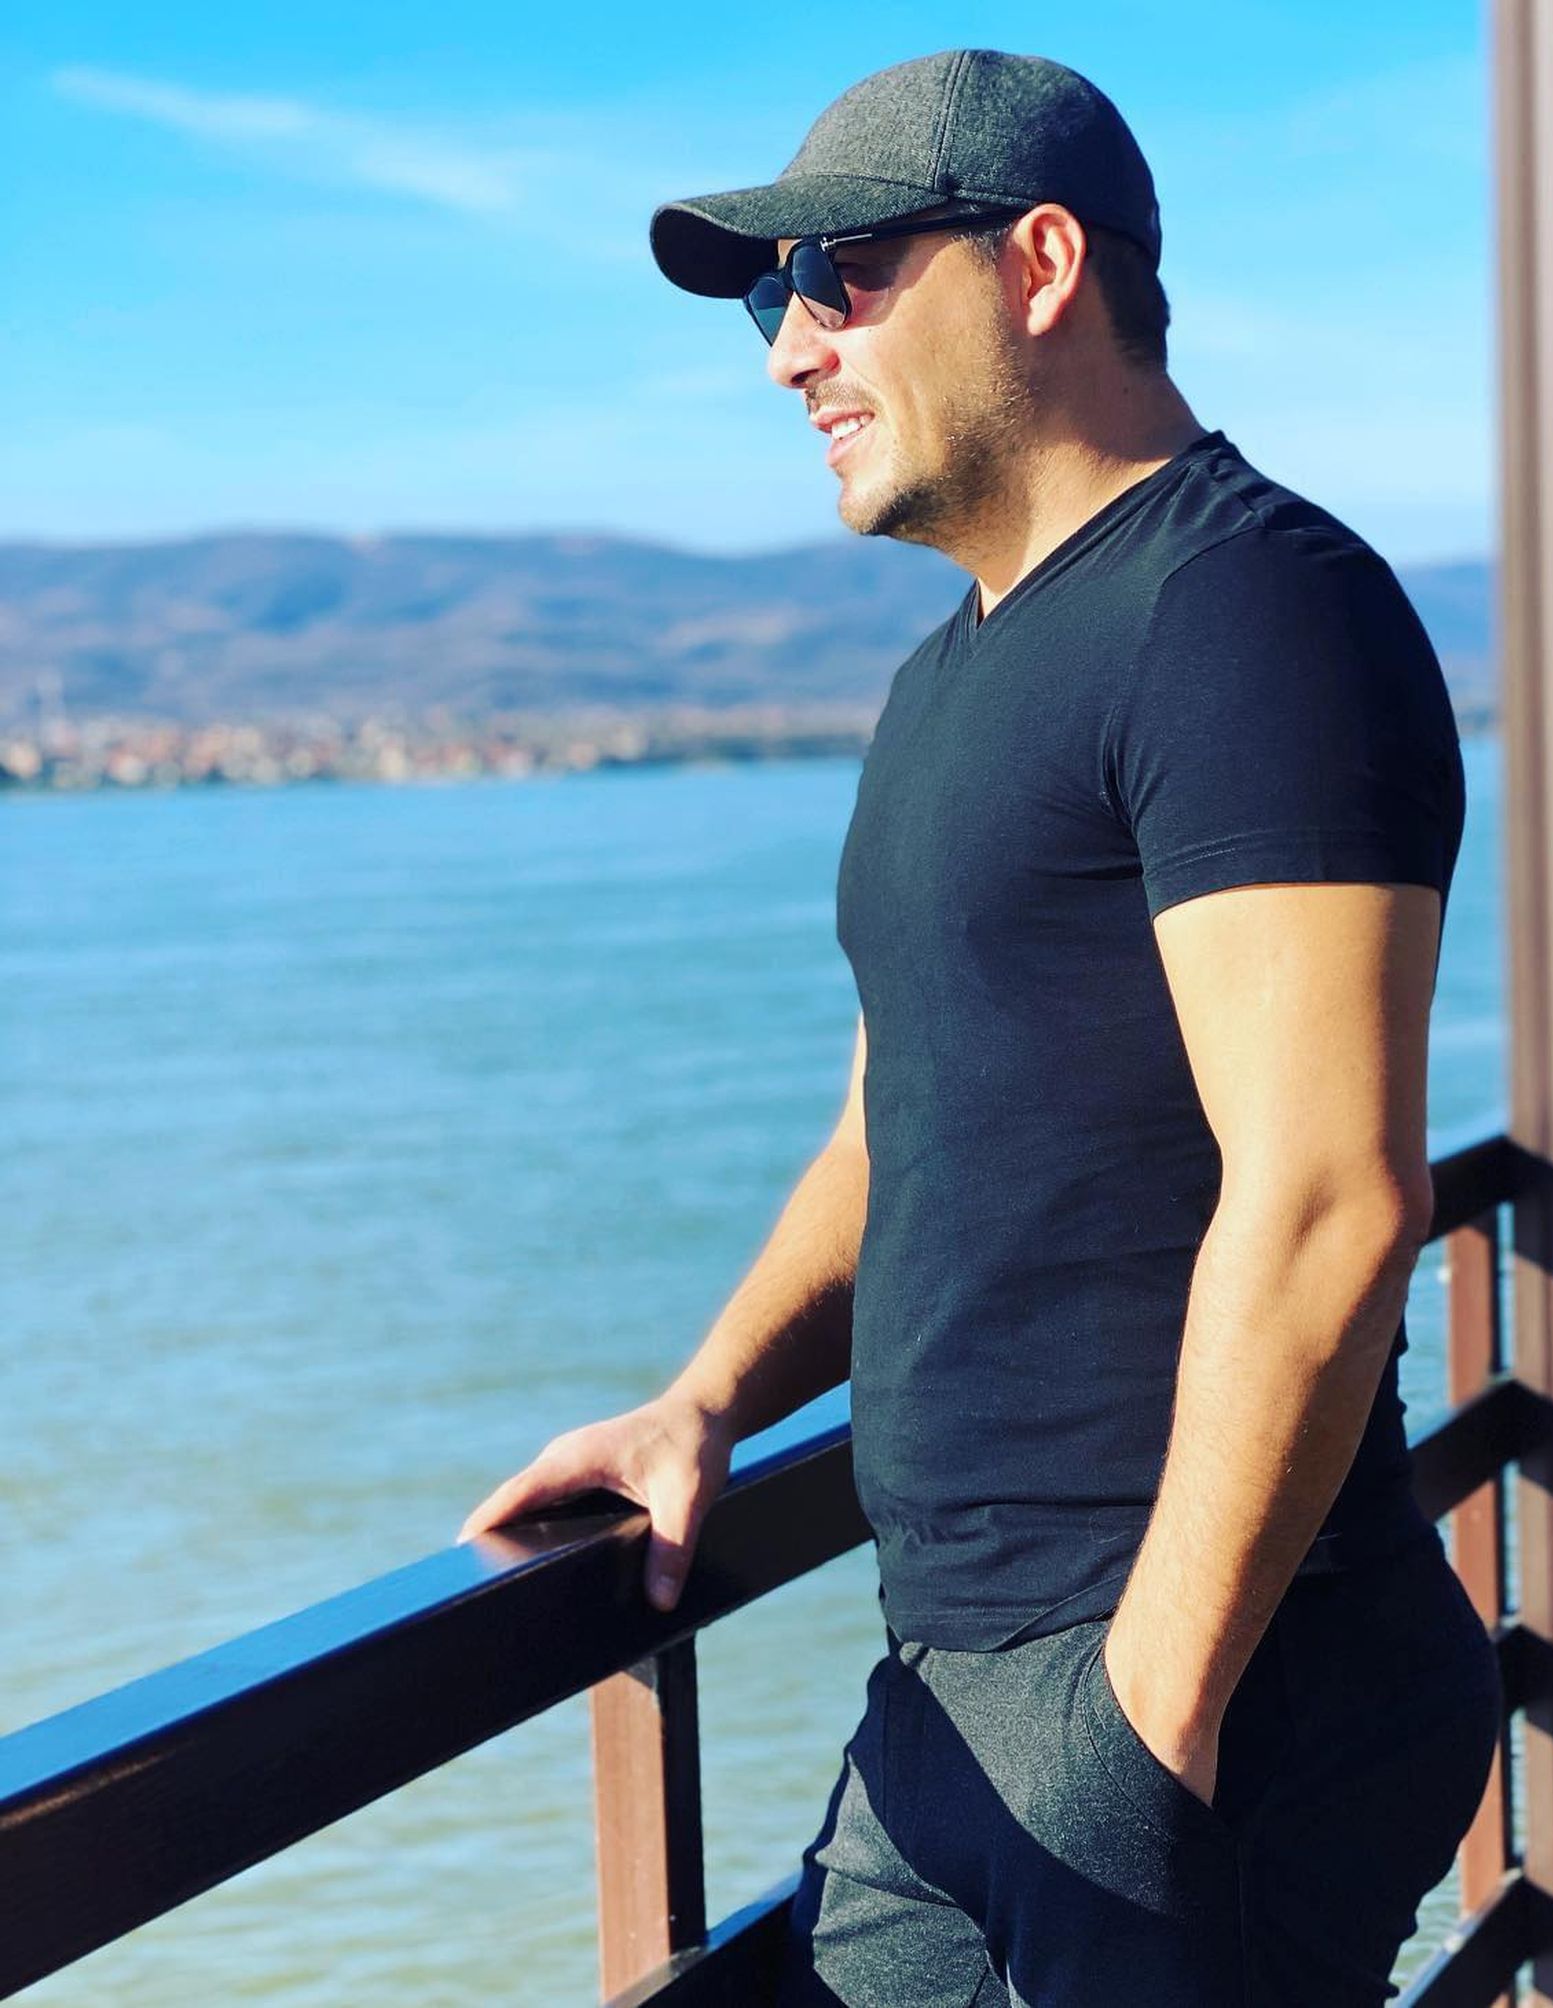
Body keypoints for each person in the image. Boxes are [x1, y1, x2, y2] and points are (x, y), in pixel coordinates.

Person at [459, 47, 1500, 2007]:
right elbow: (898, 1130)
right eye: (774, 303)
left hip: (1211, 1683)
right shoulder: (946, 684)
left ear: (1040, 263)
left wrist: (1155, 1711)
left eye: (835, 276)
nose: (792, 349)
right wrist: (705, 1400)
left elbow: (1330, 1194)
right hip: (961, 1672)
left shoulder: (1250, 612)